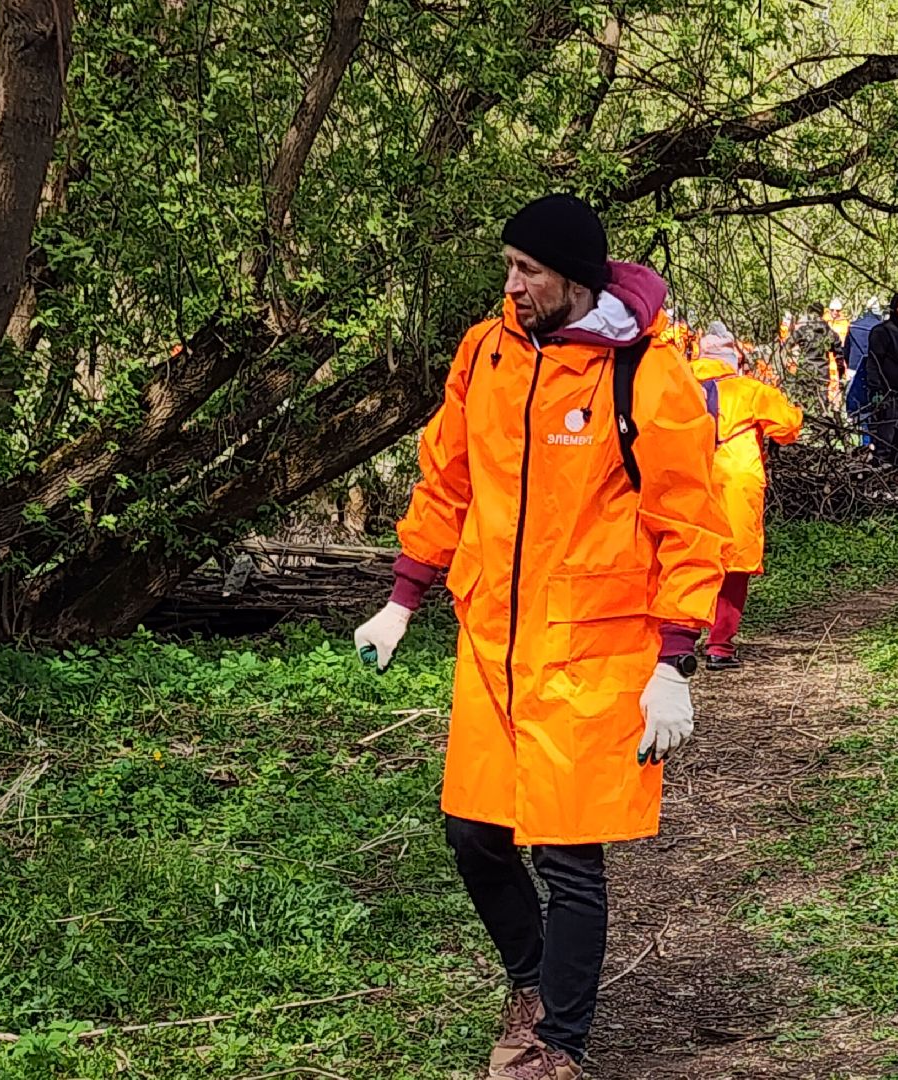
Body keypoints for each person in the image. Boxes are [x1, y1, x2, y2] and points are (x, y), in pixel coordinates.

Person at [350, 194, 731, 1080]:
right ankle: (530, 984)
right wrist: (405, 596)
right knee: (473, 834)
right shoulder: (485, 352)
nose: (511, 284)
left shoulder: (642, 372)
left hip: (594, 648)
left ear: (574, 277)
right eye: (509, 265)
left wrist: (674, 662)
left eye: (528, 269)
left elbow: (690, 521)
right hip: (493, 643)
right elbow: (447, 477)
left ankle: (558, 1044)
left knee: (567, 851)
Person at [689, 323, 803, 669]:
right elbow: (787, 430)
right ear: (733, 358)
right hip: (737, 483)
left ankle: (676, 641)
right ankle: (719, 646)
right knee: (734, 565)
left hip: (687, 480)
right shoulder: (751, 390)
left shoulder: (675, 384)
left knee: (686, 559)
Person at [862, 293, 898, 462]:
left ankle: (892, 473)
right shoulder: (882, 332)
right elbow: (873, 363)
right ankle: (880, 471)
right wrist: (877, 391)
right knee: (885, 439)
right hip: (888, 395)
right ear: (893, 309)